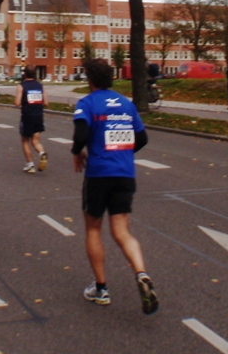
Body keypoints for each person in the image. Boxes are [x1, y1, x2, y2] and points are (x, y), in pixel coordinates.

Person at [71, 58, 157, 315]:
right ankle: (141, 273)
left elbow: (81, 134)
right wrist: (124, 154)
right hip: (124, 173)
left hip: (98, 175)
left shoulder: (87, 103)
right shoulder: (126, 104)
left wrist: (77, 152)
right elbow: (142, 137)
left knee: (94, 228)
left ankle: (101, 289)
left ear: (89, 79)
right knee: (122, 232)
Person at [15, 66, 47, 174]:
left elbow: (17, 103)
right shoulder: (40, 86)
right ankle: (42, 153)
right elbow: (46, 102)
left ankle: (30, 164)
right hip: (38, 116)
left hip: (27, 116)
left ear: (24, 74)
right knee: (36, 141)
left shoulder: (22, 86)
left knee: (25, 140)